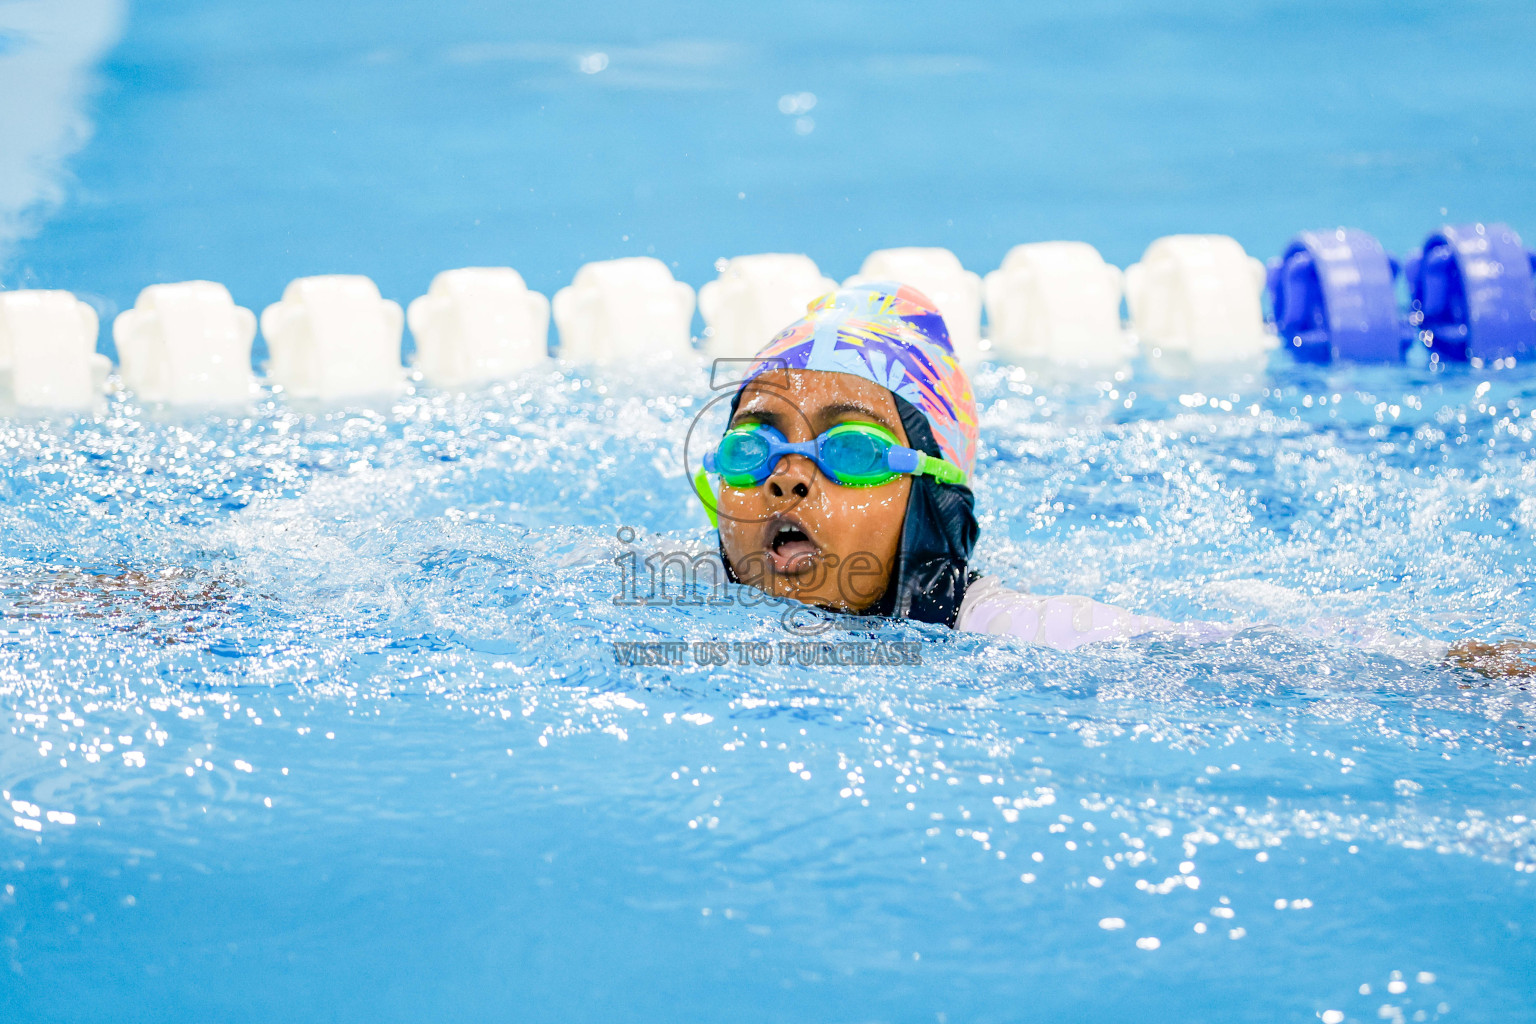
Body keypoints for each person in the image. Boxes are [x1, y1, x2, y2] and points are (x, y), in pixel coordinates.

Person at [692, 282, 1534, 677]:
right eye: (750, 450)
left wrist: (1447, 666)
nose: (788, 482)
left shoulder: (1010, 631)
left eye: (852, 453)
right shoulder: (680, 596)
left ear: (935, 501)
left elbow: (1237, 655)